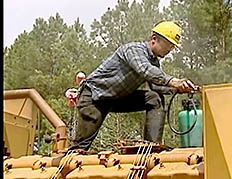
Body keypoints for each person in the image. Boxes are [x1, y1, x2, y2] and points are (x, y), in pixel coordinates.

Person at [68, 20, 197, 152]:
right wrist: (174, 81)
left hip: (115, 99)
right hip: (93, 98)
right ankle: (68, 163)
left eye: (172, 47)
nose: (170, 50)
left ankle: (151, 148)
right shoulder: (134, 50)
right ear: (154, 39)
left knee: (154, 98)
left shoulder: (154, 62)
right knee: (80, 148)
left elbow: (157, 86)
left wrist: (179, 88)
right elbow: (145, 70)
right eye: (168, 45)